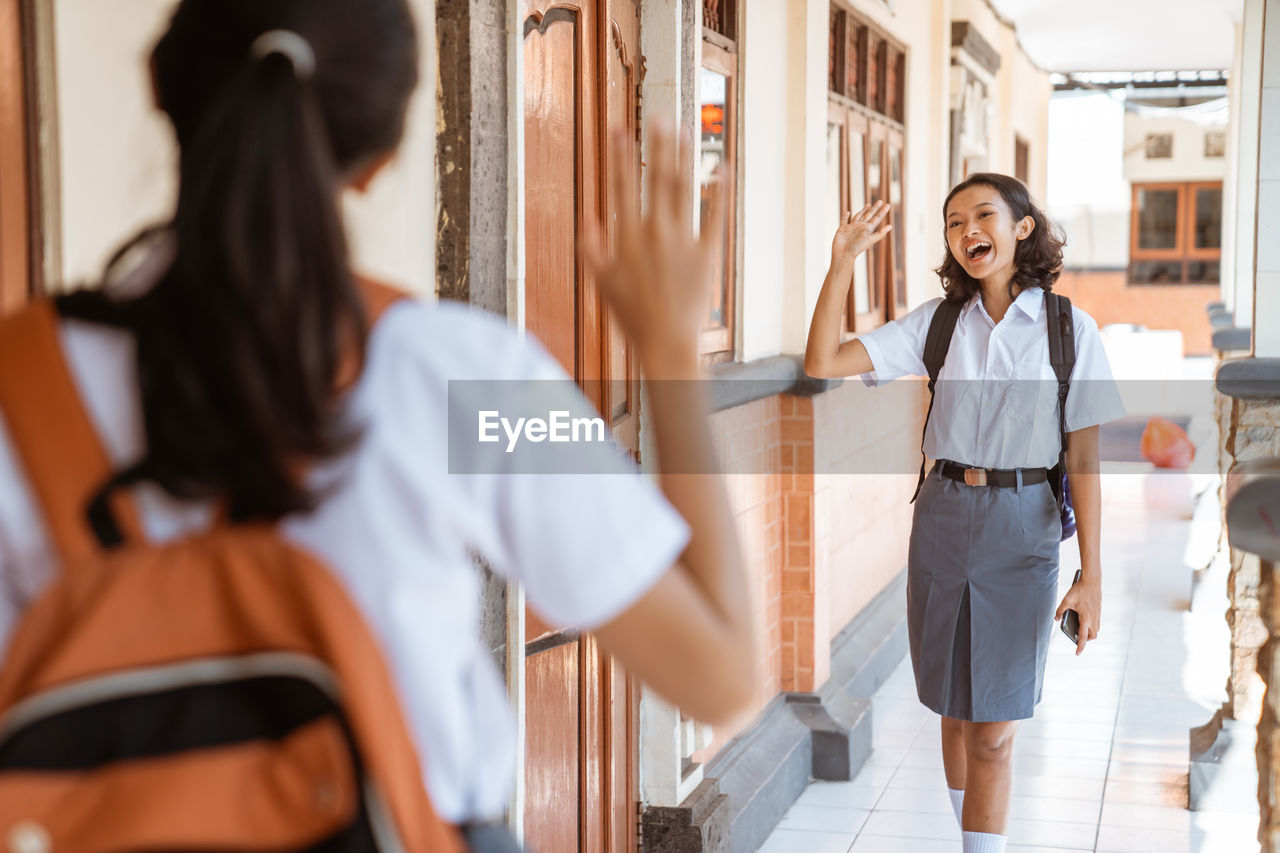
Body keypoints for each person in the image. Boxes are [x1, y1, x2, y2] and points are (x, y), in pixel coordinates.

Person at [0, 0, 756, 847]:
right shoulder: (467, 379)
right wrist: (669, 353)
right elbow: (720, 673)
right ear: (381, 157)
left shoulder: (15, 385)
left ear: (165, 93)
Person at [804, 174, 1124, 853]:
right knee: (953, 706)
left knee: (994, 727)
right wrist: (842, 262)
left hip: (1023, 525)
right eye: (954, 222)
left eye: (984, 214)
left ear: (1023, 228)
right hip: (943, 517)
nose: (968, 229)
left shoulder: (1072, 331)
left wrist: (1091, 573)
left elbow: (1087, 457)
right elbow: (823, 359)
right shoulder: (937, 322)